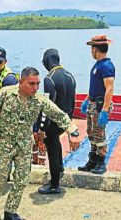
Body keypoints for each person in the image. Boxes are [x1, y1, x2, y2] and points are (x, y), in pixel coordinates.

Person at [0, 67, 79, 220]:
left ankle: (10, 212)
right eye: (31, 84)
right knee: (0, 178)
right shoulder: (6, 94)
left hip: (24, 144)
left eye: (38, 84)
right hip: (5, 142)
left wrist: (72, 130)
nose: (35, 87)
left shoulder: (39, 100)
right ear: (21, 83)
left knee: (21, 180)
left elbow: (57, 113)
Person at [36, 49, 77, 194]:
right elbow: (73, 101)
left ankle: (54, 185)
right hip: (66, 119)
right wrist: (68, 122)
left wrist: (41, 128)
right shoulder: (70, 76)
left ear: (47, 62)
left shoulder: (49, 78)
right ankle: (59, 168)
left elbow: (48, 105)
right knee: (56, 143)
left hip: (53, 122)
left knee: (52, 150)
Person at [78, 34, 115, 175]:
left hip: (100, 105)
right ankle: (92, 161)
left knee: (99, 133)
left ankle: (101, 162)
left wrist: (105, 110)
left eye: (92, 48)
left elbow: (109, 88)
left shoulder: (106, 66)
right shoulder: (97, 65)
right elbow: (94, 86)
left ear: (95, 49)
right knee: (91, 132)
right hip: (93, 103)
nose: (91, 51)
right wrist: (87, 99)